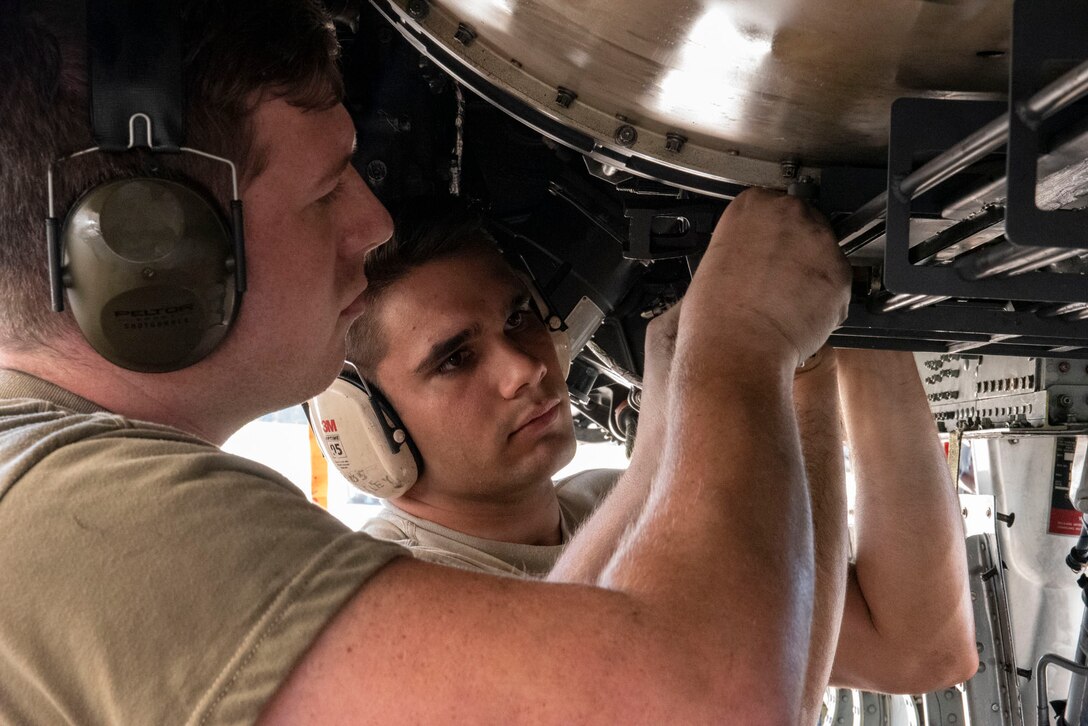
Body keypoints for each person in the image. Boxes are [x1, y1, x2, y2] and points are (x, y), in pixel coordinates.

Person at [0, 2, 872, 724]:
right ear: (154, 248)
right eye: (327, 186)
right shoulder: (87, 511)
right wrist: (743, 340)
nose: (372, 224)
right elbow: (706, 708)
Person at [341, 203, 980, 711]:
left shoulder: (605, 503)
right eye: (455, 359)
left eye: (518, 319)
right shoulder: (389, 604)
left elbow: (919, 649)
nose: (525, 367)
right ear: (374, 425)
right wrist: (734, 353)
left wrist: (839, 319)